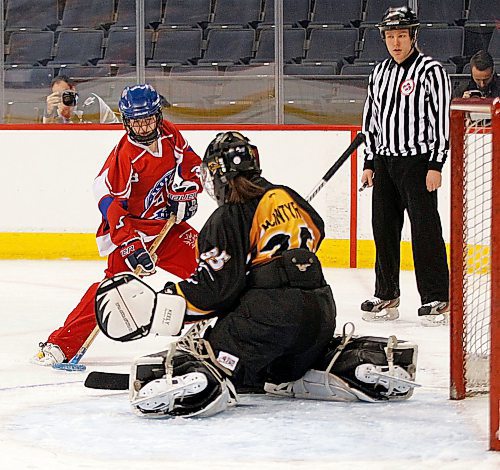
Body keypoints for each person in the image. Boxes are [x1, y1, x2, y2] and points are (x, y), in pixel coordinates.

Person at [92, 131, 419, 418]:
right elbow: (316, 231)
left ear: (217, 174)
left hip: (265, 323)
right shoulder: (288, 197)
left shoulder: (226, 217)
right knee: (286, 369)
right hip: (320, 314)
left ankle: (208, 376)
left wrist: (169, 301)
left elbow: (216, 291)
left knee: (204, 352)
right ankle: (348, 363)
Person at [33, 83, 202, 365]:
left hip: (166, 228)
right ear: (126, 121)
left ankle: (211, 329)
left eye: (149, 119)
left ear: (158, 116)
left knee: (208, 267)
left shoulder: (170, 133)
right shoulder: (127, 156)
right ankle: (61, 344)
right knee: (111, 292)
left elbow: (192, 164)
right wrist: (131, 245)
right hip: (131, 231)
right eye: (137, 121)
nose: (145, 127)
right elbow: (111, 205)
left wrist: (188, 191)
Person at [360, 6, 451, 326]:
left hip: (418, 162)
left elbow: (441, 120)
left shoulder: (431, 71)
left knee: (425, 230)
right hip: (384, 162)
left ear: (413, 36)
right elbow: (370, 119)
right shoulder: (379, 72)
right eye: (390, 36)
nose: (395, 42)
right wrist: (369, 161)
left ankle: (436, 297)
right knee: (383, 229)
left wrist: (436, 164)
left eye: (401, 35)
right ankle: (386, 293)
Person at [43, 75, 119, 124]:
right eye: (57, 95)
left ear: (73, 89)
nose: (62, 98)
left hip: (111, 134)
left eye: (65, 93)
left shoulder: (90, 100)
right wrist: (48, 113)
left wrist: (69, 116)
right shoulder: (54, 103)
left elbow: (90, 131)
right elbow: (47, 132)